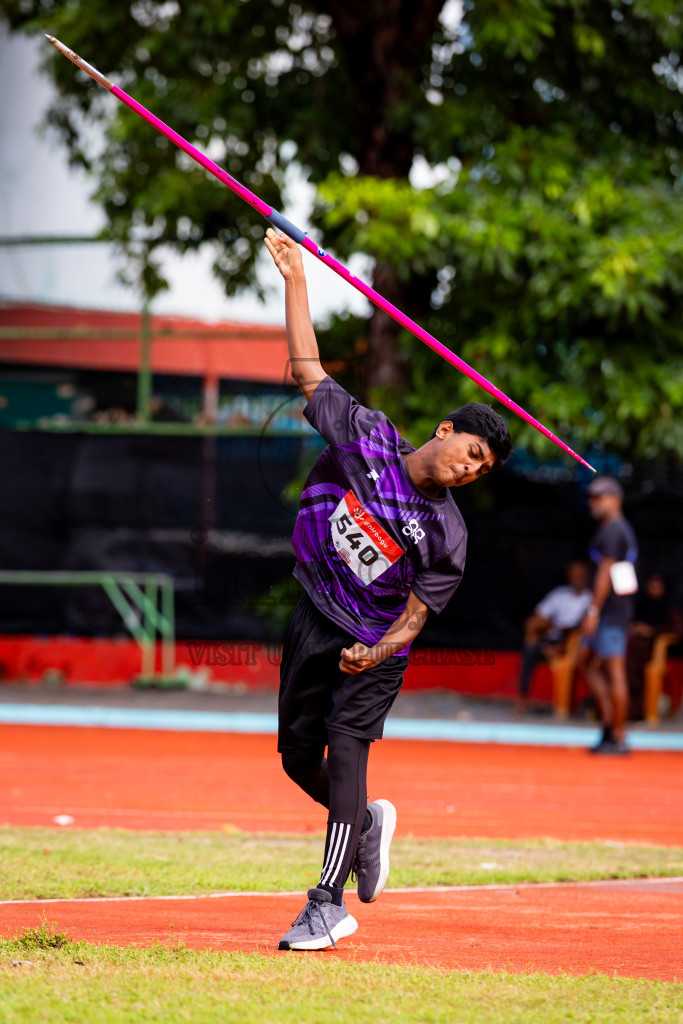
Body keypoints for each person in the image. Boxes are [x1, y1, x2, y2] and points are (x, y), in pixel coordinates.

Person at [264, 228, 512, 951]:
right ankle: (366, 822)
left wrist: (375, 652)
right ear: (445, 430)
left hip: (373, 646)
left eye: (481, 471)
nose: (470, 470)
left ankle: (326, 904)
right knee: (295, 757)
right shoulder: (365, 438)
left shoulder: (448, 535)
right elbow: (308, 371)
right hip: (315, 612)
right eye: (471, 453)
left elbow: (413, 620)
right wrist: (297, 279)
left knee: (346, 748)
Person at [578, 476, 638, 755]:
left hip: (610, 612)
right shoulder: (610, 529)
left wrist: (593, 611)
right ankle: (608, 723)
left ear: (615, 499)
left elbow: (605, 573)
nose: (593, 502)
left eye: (599, 497)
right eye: (591, 498)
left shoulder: (614, 530)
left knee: (614, 670)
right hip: (608, 610)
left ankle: (618, 736)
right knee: (586, 662)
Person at [516, 561, 592, 708]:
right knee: (530, 647)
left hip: (575, 643)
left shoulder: (591, 598)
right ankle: (523, 695)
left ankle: (586, 702)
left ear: (586, 575)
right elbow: (539, 615)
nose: (576, 578)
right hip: (552, 637)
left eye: (580, 575)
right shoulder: (559, 594)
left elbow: (582, 626)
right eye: (573, 575)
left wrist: (562, 644)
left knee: (575, 639)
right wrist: (540, 624)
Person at [627, 572, 683, 718]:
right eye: (651, 586)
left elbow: (676, 630)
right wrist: (635, 628)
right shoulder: (641, 604)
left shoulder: (670, 607)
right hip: (634, 645)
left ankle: (637, 710)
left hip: (656, 650)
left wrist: (651, 631)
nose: (653, 590)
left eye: (657, 587)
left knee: (631, 657)